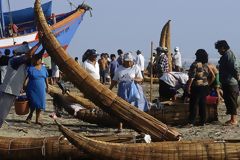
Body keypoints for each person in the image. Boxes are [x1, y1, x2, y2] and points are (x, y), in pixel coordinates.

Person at [0, 40, 42, 127]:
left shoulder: (24, 63)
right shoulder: (14, 60)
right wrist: (39, 43)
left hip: (12, 92)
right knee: (0, 117)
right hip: (7, 92)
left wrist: (44, 46)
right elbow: (29, 55)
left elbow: (36, 57)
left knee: (2, 117)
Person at [109, 52, 149, 131]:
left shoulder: (135, 67)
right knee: (121, 107)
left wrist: (134, 80)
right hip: (122, 90)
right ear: (124, 61)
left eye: (130, 61)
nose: (129, 62)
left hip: (133, 90)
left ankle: (137, 125)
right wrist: (109, 89)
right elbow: (114, 80)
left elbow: (141, 79)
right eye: (127, 61)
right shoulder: (119, 69)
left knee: (135, 106)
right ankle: (120, 126)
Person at [215, 40, 240, 125]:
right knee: (229, 101)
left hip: (231, 82)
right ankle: (232, 119)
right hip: (227, 82)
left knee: (231, 100)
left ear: (222, 48)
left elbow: (234, 68)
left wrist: (238, 79)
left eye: (218, 49)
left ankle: (234, 120)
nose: (218, 51)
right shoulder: (226, 55)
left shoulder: (229, 55)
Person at [25, 48, 48, 125]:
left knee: (40, 104)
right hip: (32, 88)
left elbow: (46, 78)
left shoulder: (44, 68)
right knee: (32, 103)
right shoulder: (30, 68)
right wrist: (23, 86)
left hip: (41, 87)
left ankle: (37, 119)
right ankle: (30, 116)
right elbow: (26, 78)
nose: (37, 60)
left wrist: (48, 86)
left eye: (39, 59)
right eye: (36, 59)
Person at [187, 49, 209, 126]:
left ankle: (191, 122)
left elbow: (191, 77)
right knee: (202, 104)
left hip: (196, 87)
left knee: (194, 104)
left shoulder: (195, 64)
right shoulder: (206, 65)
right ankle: (203, 121)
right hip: (205, 86)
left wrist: (188, 87)